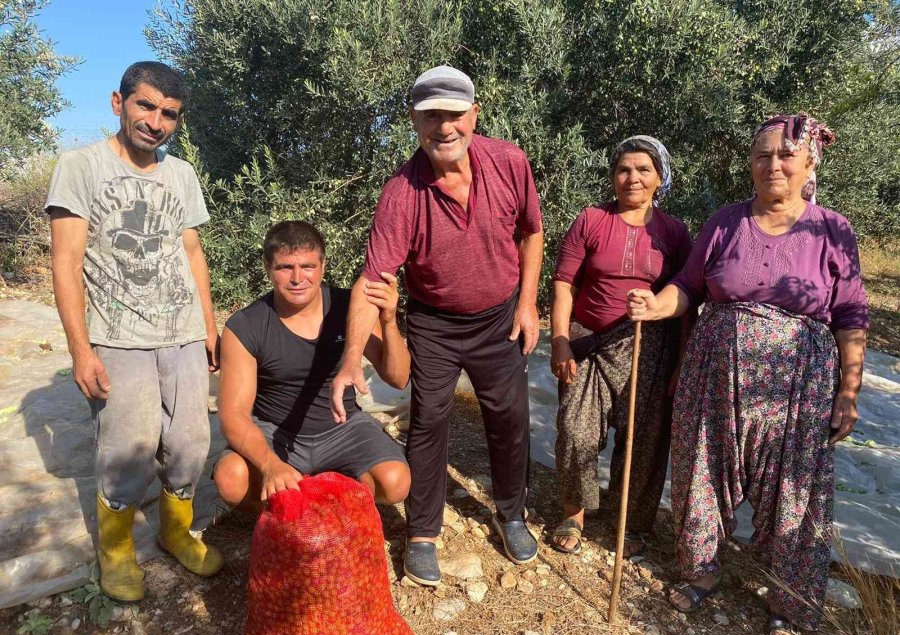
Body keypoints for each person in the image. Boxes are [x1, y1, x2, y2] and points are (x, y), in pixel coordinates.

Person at [626, 114, 868, 635]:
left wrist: (848, 391)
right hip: (715, 374)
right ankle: (701, 572)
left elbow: (851, 315)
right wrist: (655, 304)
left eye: (785, 154)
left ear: (809, 163)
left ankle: (789, 599)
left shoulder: (833, 229)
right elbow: (689, 286)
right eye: (762, 154)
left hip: (797, 386)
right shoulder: (725, 222)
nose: (772, 164)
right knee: (701, 468)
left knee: (795, 490)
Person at [330, 65, 544, 586]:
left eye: (454, 114)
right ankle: (423, 532)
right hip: (434, 324)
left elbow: (532, 232)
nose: (444, 127)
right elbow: (372, 280)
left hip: (498, 318)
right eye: (431, 117)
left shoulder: (509, 162)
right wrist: (350, 359)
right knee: (428, 420)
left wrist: (527, 304)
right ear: (414, 121)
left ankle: (511, 514)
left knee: (510, 417)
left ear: (475, 114)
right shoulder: (401, 193)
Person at [46, 62, 223, 602]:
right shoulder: (81, 166)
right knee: (129, 447)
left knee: (191, 442)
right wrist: (81, 350)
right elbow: (66, 262)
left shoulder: (181, 174)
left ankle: (175, 531)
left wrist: (209, 325)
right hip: (117, 335)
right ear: (118, 102)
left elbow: (193, 252)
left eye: (170, 113)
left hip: (182, 332)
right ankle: (117, 548)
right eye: (146, 105)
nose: (156, 121)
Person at [549, 136, 692, 557]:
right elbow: (564, 283)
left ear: (660, 178)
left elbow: (687, 297)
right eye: (624, 169)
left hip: (649, 348)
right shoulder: (591, 219)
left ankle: (630, 523)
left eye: (644, 169)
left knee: (643, 442)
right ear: (613, 176)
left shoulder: (674, 233)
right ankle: (574, 513)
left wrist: (682, 362)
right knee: (575, 431)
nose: (633, 177)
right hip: (588, 343)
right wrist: (560, 341)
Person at [213, 221, 411, 509]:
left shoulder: (349, 308)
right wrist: (270, 465)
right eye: (285, 267)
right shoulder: (245, 326)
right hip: (275, 432)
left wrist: (389, 320)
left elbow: (399, 378)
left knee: (395, 482)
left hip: (343, 430)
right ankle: (285, 512)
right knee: (231, 480)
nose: (297, 278)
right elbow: (233, 414)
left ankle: (322, 501)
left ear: (323, 266)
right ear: (268, 267)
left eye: (307, 266)